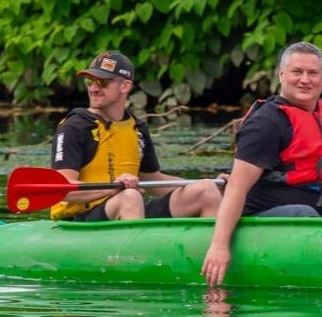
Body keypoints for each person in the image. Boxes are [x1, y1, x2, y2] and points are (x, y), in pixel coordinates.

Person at [200, 42, 322, 285]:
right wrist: (219, 246)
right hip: (274, 209)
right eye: (297, 72)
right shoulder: (266, 122)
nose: (305, 80)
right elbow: (237, 187)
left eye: (312, 73)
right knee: (304, 214)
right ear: (282, 75)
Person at [50, 51, 222, 221]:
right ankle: (137, 248)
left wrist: (214, 184)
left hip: (129, 206)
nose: (93, 88)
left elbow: (153, 180)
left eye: (102, 82)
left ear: (125, 86)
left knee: (205, 190)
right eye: (90, 81)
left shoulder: (137, 128)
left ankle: (216, 247)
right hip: (82, 219)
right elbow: (63, 188)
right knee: (130, 196)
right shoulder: (75, 126)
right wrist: (113, 189)